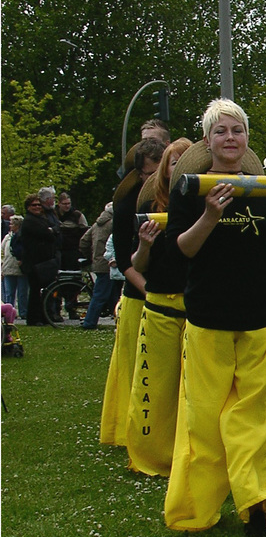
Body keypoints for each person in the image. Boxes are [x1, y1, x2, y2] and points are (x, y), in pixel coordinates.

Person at [164, 99, 266, 537]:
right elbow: (181, 249)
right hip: (208, 316)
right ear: (208, 141)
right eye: (220, 132)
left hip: (258, 315)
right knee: (204, 419)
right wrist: (210, 215)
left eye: (236, 131)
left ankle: (257, 506)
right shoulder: (191, 189)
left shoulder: (262, 189)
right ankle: (196, 511)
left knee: (255, 415)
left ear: (246, 139)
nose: (229, 139)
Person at [124, 138, 191, 476]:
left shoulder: (202, 203)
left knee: (192, 388)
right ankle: (151, 453)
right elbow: (138, 263)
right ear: (165, 167)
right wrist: (145, 245)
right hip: (162, 302)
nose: (178, 165)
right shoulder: (151, 205)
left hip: (197, 305)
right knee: (156, 383)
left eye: (184, 159)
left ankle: (187, 452)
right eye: (172, 160)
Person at [99, 138, 166, 446]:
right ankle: (127, 431)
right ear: (140, 173)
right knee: (133, 368)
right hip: (140, 295)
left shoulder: (168, 197)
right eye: (151, 172)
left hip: (164, 293)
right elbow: (124, 261)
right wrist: (151, 293)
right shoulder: (127, 204)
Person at [19, 193, 61, 325]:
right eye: (34, 205)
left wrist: (51, 231)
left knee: (46, 290)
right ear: (28, 207)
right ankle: (33, 318)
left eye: (38, 204)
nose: (37, 207)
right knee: (35, 291)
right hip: (34, 262)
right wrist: (51, 232)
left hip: (45, 261)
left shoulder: (41, 219)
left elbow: (56, 228)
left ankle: (44, 316)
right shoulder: (29, 221)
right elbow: (47, 234)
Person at [79, 203, 115, 329]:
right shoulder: (112, 224)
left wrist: (91, 256)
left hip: (98, 263)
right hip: (108, 263)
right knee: (101, 295)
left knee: (110, 294)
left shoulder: (96, 225)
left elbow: (84, 241)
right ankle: (89, 322)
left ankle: (118, 319)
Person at [56, 192, 89, 318]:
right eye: (64, 204)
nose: (66, 206)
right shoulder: (54, 215)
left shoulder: (77, 215)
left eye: (68, 203)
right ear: (59, 204)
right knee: (59, 281)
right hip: (60, 252)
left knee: (73, 280)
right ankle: (57, 309)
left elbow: (85, 232)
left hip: (73, 251)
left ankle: (72, 307)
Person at [1, 215, 29, 319]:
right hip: (8, 267)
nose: (10, 225)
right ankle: (8, 311)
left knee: (22, 292)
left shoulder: (22, 237)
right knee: (9, 293)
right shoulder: (8, 237)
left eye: (12, 223)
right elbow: (2, 250)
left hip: (20, 268)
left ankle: (23, 312)